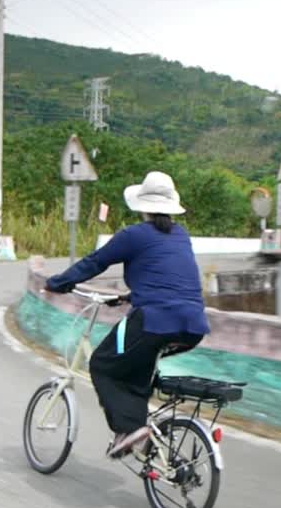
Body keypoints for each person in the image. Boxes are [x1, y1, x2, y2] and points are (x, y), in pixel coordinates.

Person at [43, 171, 210, 459]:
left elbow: (95, 262)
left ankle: (129, 429)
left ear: (143, 206)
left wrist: (57, 283)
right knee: (136, 365)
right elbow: (169, 280)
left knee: (102, 364)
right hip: (194, 326)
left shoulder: (133, 235)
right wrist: (128, 297)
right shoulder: (181, 235)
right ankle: (140, 433)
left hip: (154, 321)